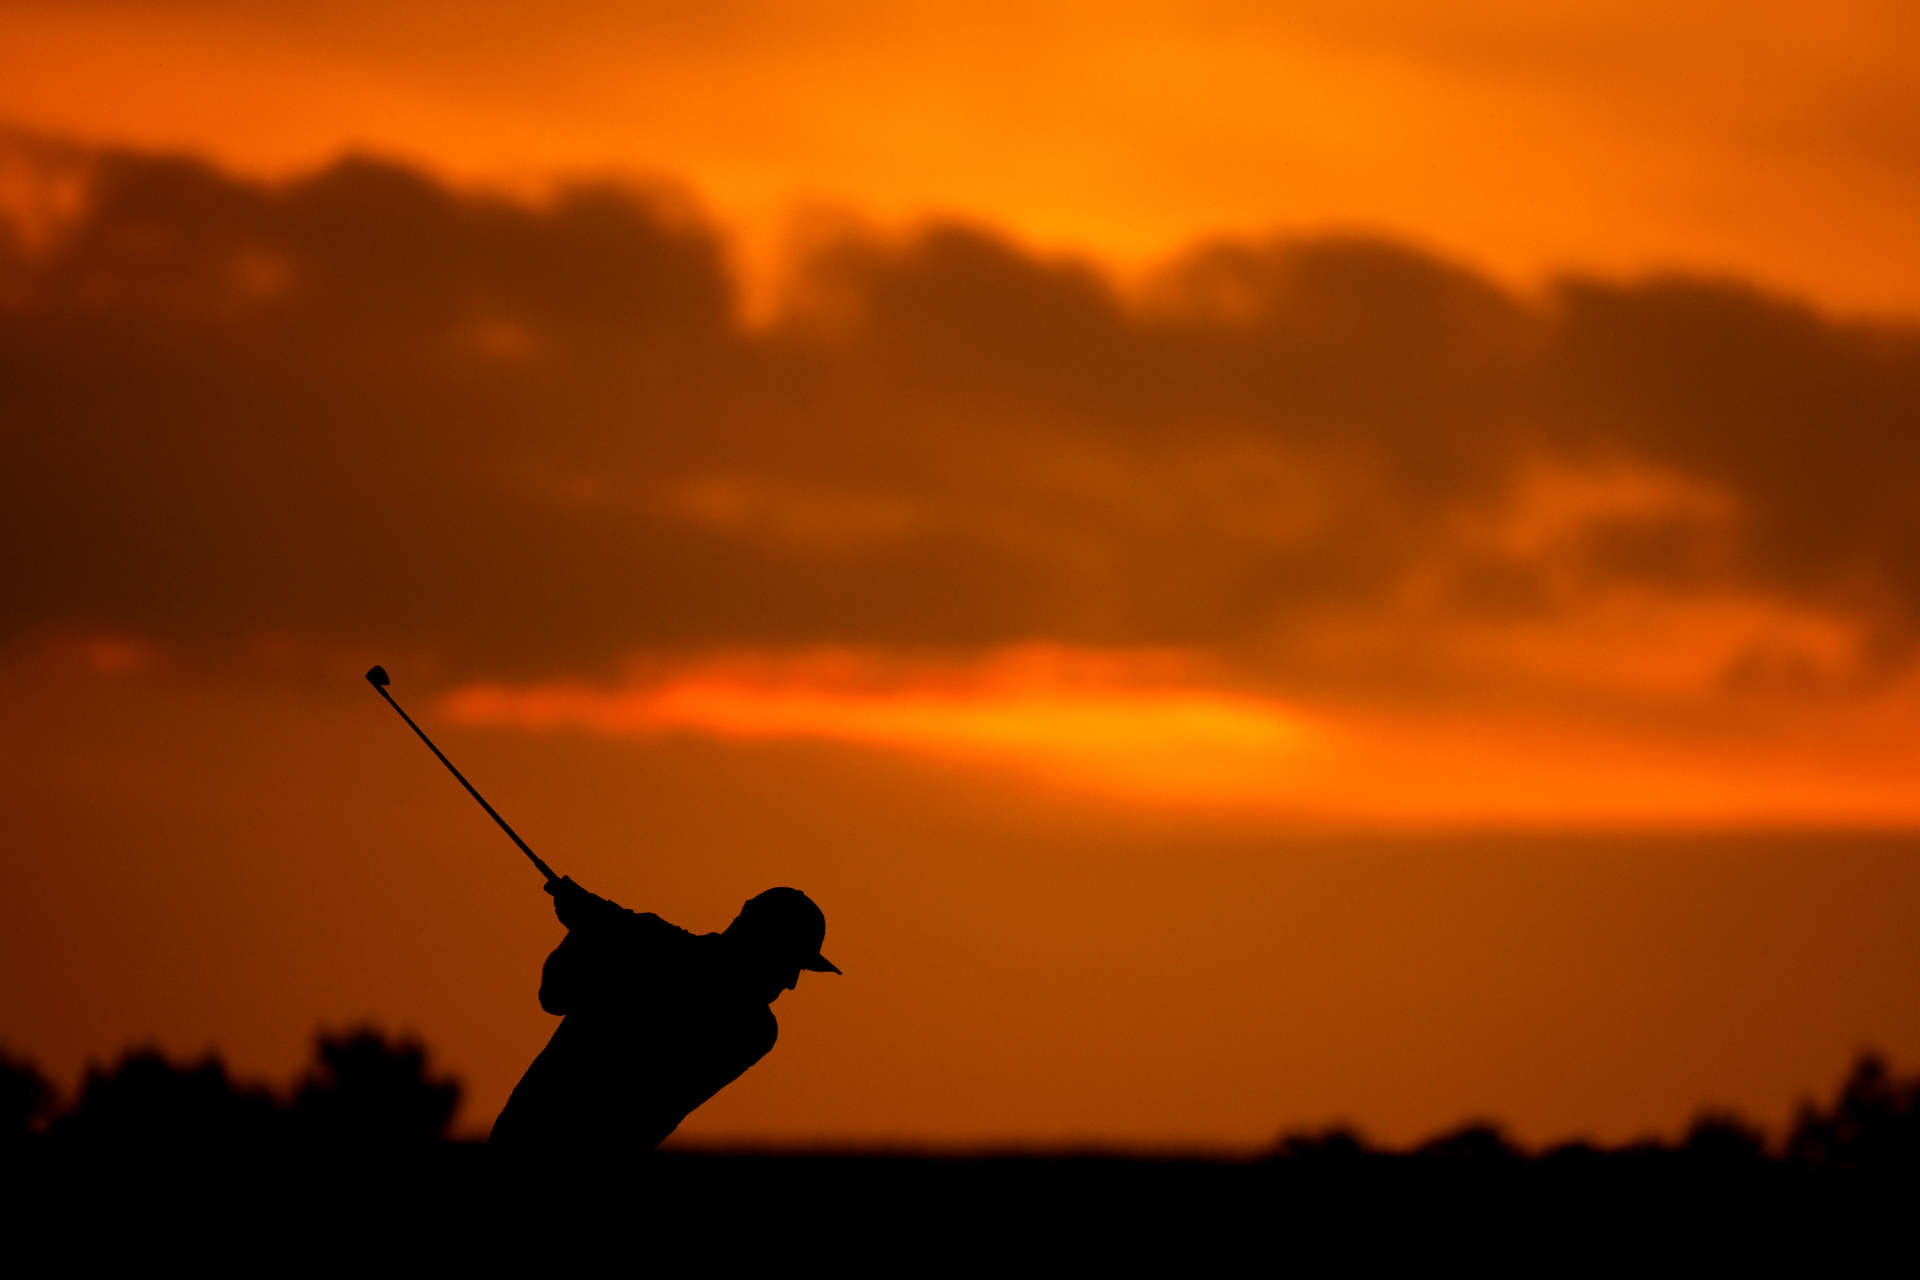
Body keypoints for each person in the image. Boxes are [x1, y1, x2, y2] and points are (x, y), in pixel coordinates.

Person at [490, 877, 839, 1149]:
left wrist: (597, 928)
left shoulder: (754, 1030)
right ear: (758, 944)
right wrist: (591, 931)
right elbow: (555, 995)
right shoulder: (645, 945)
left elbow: (555, 996)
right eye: (788, 962)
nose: (791, 982)